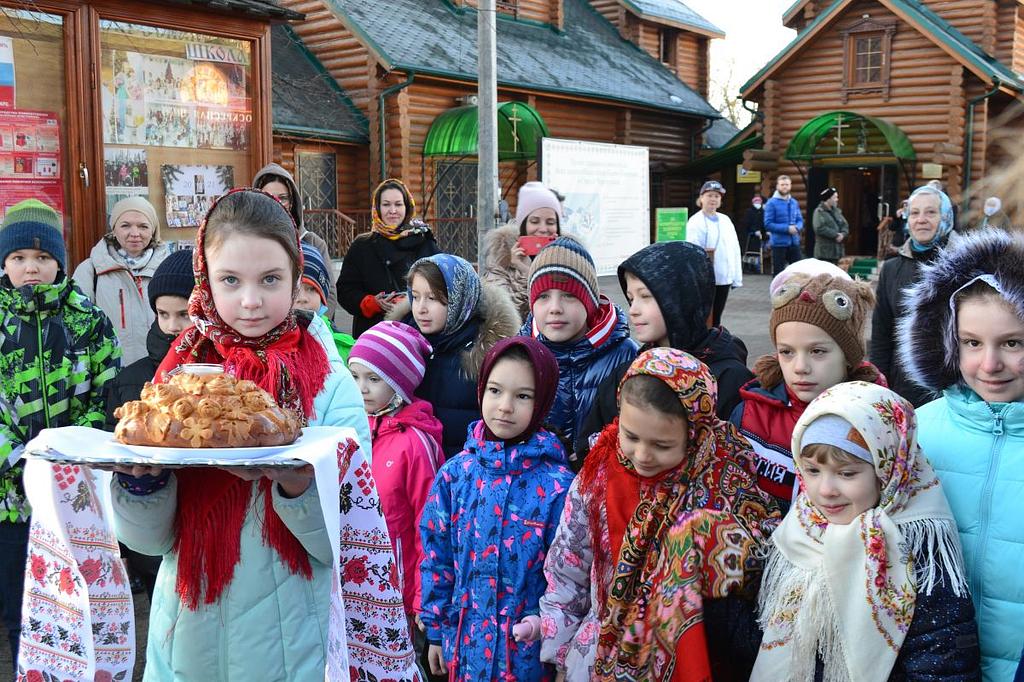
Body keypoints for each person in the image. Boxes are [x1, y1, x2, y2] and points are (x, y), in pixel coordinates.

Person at [109, 189, 415, 680]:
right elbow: (149, 542)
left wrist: (297, 486)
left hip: (295, 641)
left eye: (270, 279)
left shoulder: (330, 386)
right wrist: (140, 484)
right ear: (205, 280)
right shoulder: (175, 382)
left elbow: (348, 541)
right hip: (187, 636)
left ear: (296, 279)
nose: (250, 301)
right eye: (230, 280)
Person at [540, 349, 778, 682]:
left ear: (694, 432)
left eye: (662, 445)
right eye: (630, 436)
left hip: (688, 658)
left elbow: (759, 567)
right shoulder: (598, 475)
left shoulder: (725, 481)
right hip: (596, 655)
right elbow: (568, 566)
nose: (642, 455)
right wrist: (560, 652)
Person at [751, 381, 980, 680]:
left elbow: (942, 662)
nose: (825, 490)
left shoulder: (918, 547)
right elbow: (760, 638)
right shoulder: (798, 530)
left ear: (889, 471)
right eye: (812, 471)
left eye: (847, 473)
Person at [898, 227, 1024, 680]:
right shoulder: (916, 432)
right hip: (936, 668)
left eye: (1012, 343)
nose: (989, 365)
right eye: (972, 343)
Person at [0, 199, 121, 670]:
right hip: (11, 501)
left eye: (43, 257)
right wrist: (19, 457)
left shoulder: (86, 321)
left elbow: (107, 394)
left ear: (60, 262)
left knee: (78, 605)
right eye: (18, 258)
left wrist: (69, 452)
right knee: (23, 609)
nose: (31, 268)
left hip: (74, 493)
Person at [420, 337, 575, 681]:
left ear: (542, 401)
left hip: (526, 655)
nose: (505, 406)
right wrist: (435, 629)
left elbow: (567, 578)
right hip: (464, 645)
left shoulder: (558, 487)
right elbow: (436, 556)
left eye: (523, 396)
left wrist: (554, 639)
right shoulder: (456, 474)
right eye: (495, 390)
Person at [575, 241, 752, 466]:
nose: (633, 310)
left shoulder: (729, 378)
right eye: (631, 298)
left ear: (684, 298)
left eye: (645, 296)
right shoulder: (628, 373)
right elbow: (590, 448)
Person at [730, 273, 882, 510]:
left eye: (817, 351)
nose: (800, 367)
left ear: (848, 356)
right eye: (786, 352)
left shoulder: (880, 421)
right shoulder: (748, 417)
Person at [103, 247, 193, 599]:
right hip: (151, 530)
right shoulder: (132, 380)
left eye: (184, 314)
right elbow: (116, 460)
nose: (172, 326)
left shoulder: (222, 374)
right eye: (163, 314)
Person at [348, 321, 443, 626]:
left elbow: (429, 525)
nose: (361, 388)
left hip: (396, 590)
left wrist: (423, 600)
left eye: (374, 378)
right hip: (352, 583)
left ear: (399, 383)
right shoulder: (351, 429)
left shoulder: (415, 443)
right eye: (355, 376)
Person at [391, 253, 520, 456]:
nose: (421, 308)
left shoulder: (485, 354)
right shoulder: (401, 344)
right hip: (412, 463)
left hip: (465, 465)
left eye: (433, 298)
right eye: (415, 297)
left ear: (460, 297)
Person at [521, 236, 637, 449]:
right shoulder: (520, 355)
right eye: (543, 296)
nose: (555, 308)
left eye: (569, 295)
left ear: (590, 303)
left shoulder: (625, 355)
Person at [869, 185, 958, 407]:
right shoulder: (891, 269)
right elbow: (882, 332)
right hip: (903, 386)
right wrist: (878, 383)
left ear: (946, 216)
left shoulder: (965, 264)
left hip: (954, 389)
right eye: (915, 213)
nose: (921, 220)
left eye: (931, 212)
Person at [73, 196, 171, 364]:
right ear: (114, 229)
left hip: (161, 369)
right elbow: (76, 327)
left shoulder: (168, 270)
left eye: (143, 226)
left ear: (153, 230)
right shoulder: (91, 271)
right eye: (125, 225)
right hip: (108, 371)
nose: (135, 233)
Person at [337, 178, 440, 337]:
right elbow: (345, 290)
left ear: (407, 206)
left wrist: (412, 300)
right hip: (374, 334)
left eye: (398, 204)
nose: (392, 210)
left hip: (418, 333)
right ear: (377, 208)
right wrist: (370, 303)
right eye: (386, 205)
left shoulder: (424, 241)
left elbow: (441, 287)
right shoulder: (362, 246)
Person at [253, 163, 339, 318]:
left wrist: (315, 325)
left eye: (283, 198)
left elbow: (330, 293)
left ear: (292, 201)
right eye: (268, 197)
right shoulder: (248, 243)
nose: (277, 202)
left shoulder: (313, 243)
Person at [481, 181, 562, 318]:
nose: (543, 229)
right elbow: (504, 316)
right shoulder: (500, 262)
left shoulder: (571, 258)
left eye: (550, 222)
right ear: (523, 225)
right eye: (534, 221)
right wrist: (523, 270)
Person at [685, 180, 742, 327]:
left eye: (716, 196)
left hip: (724, 277)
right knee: (704, 316)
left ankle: (714, 338)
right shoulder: (695, 222)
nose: (713, 199)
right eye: (709, 195)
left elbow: (734, 248)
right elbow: (692, 251)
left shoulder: (725, 220)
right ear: (701, 198)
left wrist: (736, 277)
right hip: (705, 279)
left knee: (717, 316)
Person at [294, 243, 354, 362]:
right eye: (294, 290)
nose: (302, 298)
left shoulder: (345, 350)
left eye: (311, 289)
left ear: (322, 297)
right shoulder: (264, 350)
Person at [763, 174, 804, 276]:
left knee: (798, 272)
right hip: (779, 244)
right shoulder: (771, 203)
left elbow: (800, 220)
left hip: (794, 242)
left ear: (790, 186)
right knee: (779, 274)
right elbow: (768, 224)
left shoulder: (794, 202)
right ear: (777, 186)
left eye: (787, 184)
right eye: (782, 185)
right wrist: (787, 229)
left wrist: (797, 227)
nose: (785, 187)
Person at [812, 186, 849, 264]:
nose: (837, 199)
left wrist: (843, 234)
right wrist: (835, 235)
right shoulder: (819, 212)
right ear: (828, 199)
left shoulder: (837, 211)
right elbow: (819, 228)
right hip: (824, 253)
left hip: (837, 252)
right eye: (835, 197)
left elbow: (845, 225)